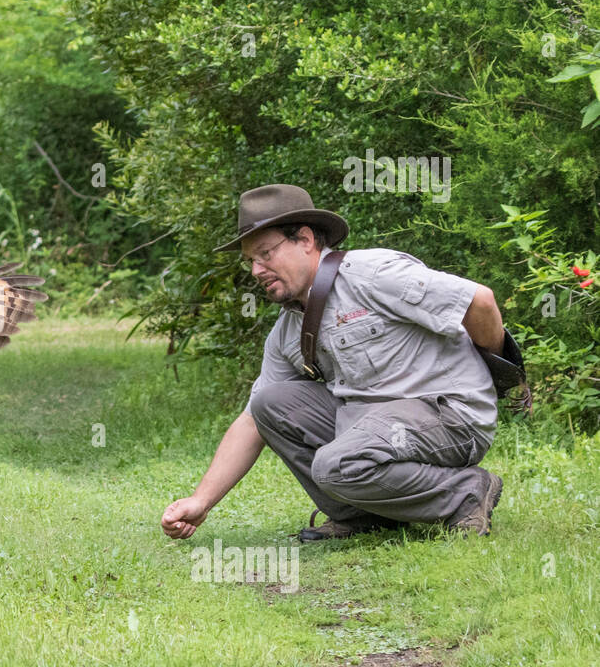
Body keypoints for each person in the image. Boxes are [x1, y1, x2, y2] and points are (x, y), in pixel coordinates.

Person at [161, 184, 505, 542]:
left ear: (306, 240)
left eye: (265, 254)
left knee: (334, 465)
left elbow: (479, 301)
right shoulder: (288, 330)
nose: (256, 270)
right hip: (375, 430)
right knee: (269, 404)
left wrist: (501, 378)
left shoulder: (372, 274)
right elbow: (251, 422)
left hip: (448, 419)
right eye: (250, 260)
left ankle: (466, 492)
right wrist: (200, 501)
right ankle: (363, 515)